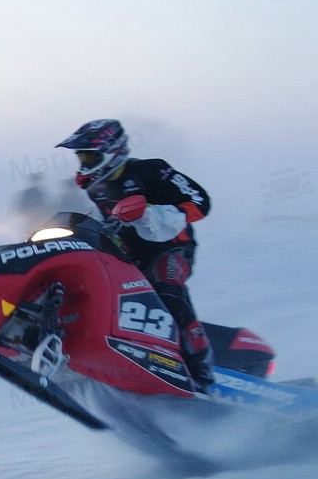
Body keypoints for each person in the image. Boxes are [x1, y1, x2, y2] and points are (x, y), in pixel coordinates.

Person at [55, 119, 214, 389]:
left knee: (167, 288)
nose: (85, 162)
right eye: (82, 157)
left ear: (112, 151)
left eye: (90, 155)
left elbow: (201, 201)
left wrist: (162, 213)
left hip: (172, 248)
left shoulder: (152, 170)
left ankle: (201, 368)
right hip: (131, 255)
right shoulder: (96, 186)